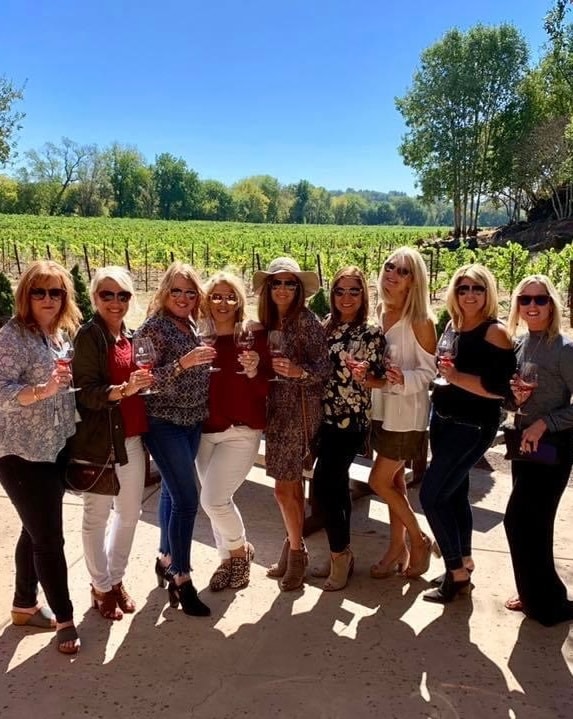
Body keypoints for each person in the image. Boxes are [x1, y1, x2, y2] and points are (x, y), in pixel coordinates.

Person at [420, 263, 515, 603]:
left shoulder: (495, 332)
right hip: (444, 419)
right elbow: (443, 365)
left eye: (477, 288)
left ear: (488, 293)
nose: (469, 295)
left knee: (431, 496)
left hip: (472, 426)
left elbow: (504, 390)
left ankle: (456, 572)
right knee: (455, 494)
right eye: (463, 289)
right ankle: (464, 562)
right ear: (454, 294)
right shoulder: (454, 325)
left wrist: (456, 377)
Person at [0, 260, 81, 654]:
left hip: (55, 446)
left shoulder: (59, 335)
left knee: (34, 528)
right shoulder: (12, 336)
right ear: (26, 295)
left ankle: (24, 604)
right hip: (20, 453)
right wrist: (41, 391)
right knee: (49, 538)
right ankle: (65, 619)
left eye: (56, 292)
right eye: (40, 291)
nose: (49, 299)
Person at [69, 266, 152, 621]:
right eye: (107, 294)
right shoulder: (89, 336)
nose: (116, 302)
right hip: (100, 442)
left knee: (129, 514)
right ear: (94, 298)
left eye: (123, 295)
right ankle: (100, 585)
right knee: (96, 517)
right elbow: (84, 393)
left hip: (131, 438)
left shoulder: (130, 337)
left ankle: (116, 580)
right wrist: (121, 391)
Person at [136, 262, 215, 617]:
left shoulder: (190, 323)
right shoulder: (153, 328)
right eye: (177, 290)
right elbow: (146, 381)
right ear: (164, 292)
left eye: (190, 292)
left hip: (192, 421)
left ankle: (166, 556)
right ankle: (182, 579)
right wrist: (184, 363)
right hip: (164, 422)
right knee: (187, 500)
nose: (183, 297)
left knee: (170, 491)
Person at [253, 257, 330, 591]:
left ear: (299, 289)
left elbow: (324, 370)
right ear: (267, 289)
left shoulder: (307, 321)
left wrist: (299, 372)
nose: (282, 288)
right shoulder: (269, 321)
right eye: (276, 283)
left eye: (289, 283)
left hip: (299, 411)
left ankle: (297, 554)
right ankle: (292, 544)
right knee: (290, 487)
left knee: (284, 488)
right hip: (276, 413)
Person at [362, 248, 437, 580]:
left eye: (403, 271)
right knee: (394, 482)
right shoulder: (379, 311)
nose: (393, 273)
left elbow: (429, 372)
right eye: (390, 266)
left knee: (377, 480)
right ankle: (397, 548)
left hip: (406, 414)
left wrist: (403, 378)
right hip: (381, 408)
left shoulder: (420, 320)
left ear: (413, 282)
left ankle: (419, 540)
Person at [503, 275, 573, 626]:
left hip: (552, 448)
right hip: (524, 446)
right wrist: (513, 399)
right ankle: (533, 592)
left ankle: (549, 605)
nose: (532, 306)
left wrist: (545, 422)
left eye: (540, 300)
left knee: (522, 521)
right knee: (529, 524)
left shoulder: (564, 348)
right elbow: (511, 395)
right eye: (525, 299)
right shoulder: (519, 344)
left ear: (552, 304)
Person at [311, 266, 385, 591]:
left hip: (350, 420)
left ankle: (340, 555)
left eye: (354, 290)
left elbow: (380, 379)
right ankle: (341, 553)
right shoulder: (326, 325)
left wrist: (364, 377)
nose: (346, 297)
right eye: (340, 291)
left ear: (363, 294)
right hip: (321, 419)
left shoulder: (371, 332)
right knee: (336, 488)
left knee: (325, 485)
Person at [196, 272, 269, 591]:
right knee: (215, 499)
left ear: (239, 301)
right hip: (204, 430)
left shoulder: (253, 334)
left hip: (241, 430)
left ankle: (240, 552)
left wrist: (254, 371)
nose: (222, 302)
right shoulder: (198, 336)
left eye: (229, 296)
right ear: (206, 300)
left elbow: (268, 388)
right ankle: (226, 560)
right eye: (215, 295)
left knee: (213, 500)